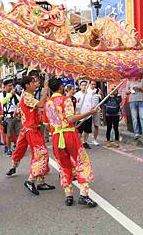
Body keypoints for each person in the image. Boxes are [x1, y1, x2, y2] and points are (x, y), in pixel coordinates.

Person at [43, 78, 98, 207]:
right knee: (81, 161)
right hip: (69, 135)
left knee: (63, 165)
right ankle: (84, 194)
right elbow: (70, 118)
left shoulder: (48, 104)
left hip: (56, 137)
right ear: (61, 87)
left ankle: (68, 195)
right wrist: (88, 113)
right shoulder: (65, 99)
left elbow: (46, 125)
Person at [6, 76, 55, 195]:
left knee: (32, 152)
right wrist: (46, 88)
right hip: (31, 130)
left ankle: (41, 181)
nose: (35, 84)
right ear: (27, 85)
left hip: (31, 129)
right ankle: (31, 180)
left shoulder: (27, 96)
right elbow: (41, 104)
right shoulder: (27, 97)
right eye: (33, 82)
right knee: (41, 154)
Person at [0, 79, 21, 156]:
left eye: (12, 85)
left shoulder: (15, 95)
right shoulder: (1, 95)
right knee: (8, 135)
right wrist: (10, 95)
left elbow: (19, 103)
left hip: (16, 117)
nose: (11, 87)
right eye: (9, 86)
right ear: (5, 87)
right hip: (7, 118)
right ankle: (9, 149)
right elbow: (1, 103)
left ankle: (18, 149)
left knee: (18, 134)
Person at [74, 80, 93, 149]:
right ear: (80, 86)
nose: (84, 86)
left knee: (87, 130)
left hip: (88, 115)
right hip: (80, 115)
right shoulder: (77, 95)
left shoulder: (90, 93)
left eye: (85, 85)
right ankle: (78, 143)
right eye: (82, 85)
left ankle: (85, 142)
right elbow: (74, 105)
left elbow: (91, 102)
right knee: (79, 131)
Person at [89, 81, 102, 146]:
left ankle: (94, 140)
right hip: (88, 110)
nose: (93, 85)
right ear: (89, 84)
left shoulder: (98, 91)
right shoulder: (87, 90)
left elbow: (101, 100)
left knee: (96, 125)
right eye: (92, 84)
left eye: (95, 84)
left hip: (96, 110)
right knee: (87, 125)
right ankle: (84, 140)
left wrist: (100, 94)